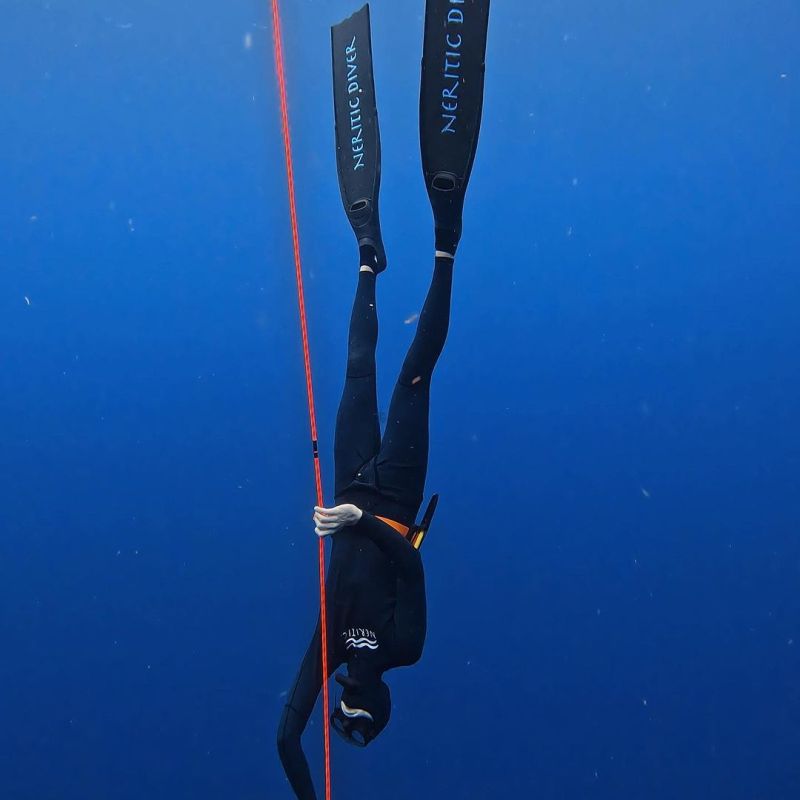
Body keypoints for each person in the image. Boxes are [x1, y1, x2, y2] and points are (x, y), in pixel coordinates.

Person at [277, 2, 490, 796]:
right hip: (392, 493)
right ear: (376, 707)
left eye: (340, 718)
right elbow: (408, 563)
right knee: (414, 374)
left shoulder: (332, 646)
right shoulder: (404, 649)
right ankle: (445, 245)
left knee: (357, 369)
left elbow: (284, 737)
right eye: (352, 717)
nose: (343, 709)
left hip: (350, 483)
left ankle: (369, 257)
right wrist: (361, 521)